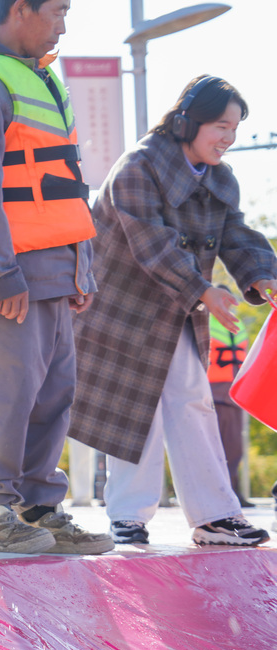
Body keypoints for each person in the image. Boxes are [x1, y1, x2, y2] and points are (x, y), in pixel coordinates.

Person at [0, 0, 114, 554]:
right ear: (19, 9)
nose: (64, 22)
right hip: (8, 276)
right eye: (57, 10)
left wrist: (81, 266)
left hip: (56, 273)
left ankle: (40, 507)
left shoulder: (43, 79)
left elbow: (66, 182)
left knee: (51, 398)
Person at [70, 75, 275, 547]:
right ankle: (131, 515)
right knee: (130, 407)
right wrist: (205, 290)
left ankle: (212, 514)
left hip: (177, 303)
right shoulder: (137, 167)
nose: (229, 138)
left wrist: (262, 274)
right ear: (188, 121)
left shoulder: (220, 177)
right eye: (221, 125)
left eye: (235, 128)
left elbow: (237, 233)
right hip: (120, 308)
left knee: (190, 397)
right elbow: (152, 243)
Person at [208, 299, 252, 507]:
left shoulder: (239, 325)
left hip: (235, 395)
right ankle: (215, 495)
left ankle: (234, 492)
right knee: (213, 449)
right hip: (212, 394)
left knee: (234, 448)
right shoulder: (204, 323)